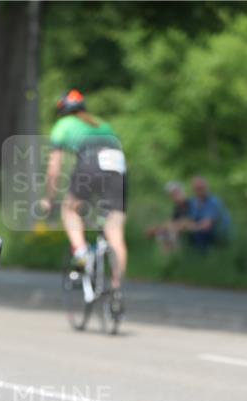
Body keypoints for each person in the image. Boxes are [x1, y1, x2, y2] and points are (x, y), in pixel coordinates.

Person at [40, 89, 128, 314]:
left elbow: (54, 168)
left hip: (91, 163)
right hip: (117, 165)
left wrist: (49, 198)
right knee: (116, 233)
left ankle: (81, 252)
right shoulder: (101, 122)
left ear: (62, 110)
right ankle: (116, 289)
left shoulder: (63, 124)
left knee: (69, 210)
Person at [145, 181, 191, 254]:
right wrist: (158, 228)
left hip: (189, 229)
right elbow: (172, 221)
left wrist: (166, 227)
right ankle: (169, 257)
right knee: (161, 232)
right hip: (179, 229)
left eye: (176, 193)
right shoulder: (177, 207)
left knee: (167, 232)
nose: (174, 196)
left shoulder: (190, 203)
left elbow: (188, 221)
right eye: (172, 194)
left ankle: (175, 255)